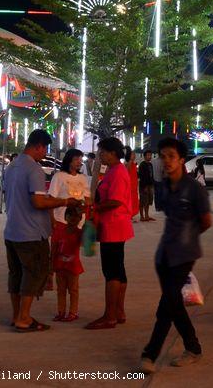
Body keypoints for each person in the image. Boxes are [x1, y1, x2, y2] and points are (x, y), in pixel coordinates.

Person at [140, 137, 212, 373]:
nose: (166, 160)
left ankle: (150, 354)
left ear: (182, 160)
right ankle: (194, 348)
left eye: (171, 156)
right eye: (163, 156)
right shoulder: (163, 188)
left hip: (184, 255)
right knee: (173, 305)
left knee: (167, 307)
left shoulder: (195, 189)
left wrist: (188, 236)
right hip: (164, 255)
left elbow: (206, 222)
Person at [3, 129, 78, 332]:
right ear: (38, 146)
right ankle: (24, 318)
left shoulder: (10, 168)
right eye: (44, 149)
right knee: (33, 273)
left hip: (12, 231)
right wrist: (63, 201)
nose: (44, 154)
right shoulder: (33, 169)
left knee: (16, 274)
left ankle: (16, 314)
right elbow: (37, 201)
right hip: (30, 233)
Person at [86, 137, 135, 330]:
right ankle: (119, 311)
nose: (100, 156)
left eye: (103, 152)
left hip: (113, 225)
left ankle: (110, 315)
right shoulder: (115, 170)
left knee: (111, 271)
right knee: (118, 269)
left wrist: (95, 207)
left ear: (113, 153)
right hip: (116, 225)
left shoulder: (117, 172)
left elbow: (114, 201)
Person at [51, 205, 84, 322]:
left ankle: (73, 312)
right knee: (61, 290)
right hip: (60, 267)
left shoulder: (80, 233)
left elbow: (87, 244)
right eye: (70, 215)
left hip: (73, 267)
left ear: (80, 218)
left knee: (73, 290)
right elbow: (54, 248)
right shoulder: (59, 232)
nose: (73, 218)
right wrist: (51, 265)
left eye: (77, 216)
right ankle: (61, 312)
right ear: (65, 217)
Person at [137, 150, 156, 222]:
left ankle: (147, 216)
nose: (149, 156)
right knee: (142, 201)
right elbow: (141, 176)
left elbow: (151, 175)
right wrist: (144, 186)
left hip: (150, 185)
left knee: (148, 202)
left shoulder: (150, 165)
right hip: (143, 186)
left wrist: (152, 184)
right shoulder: (142, 165)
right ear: (145, 156)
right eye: (148, 155)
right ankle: (142, 216)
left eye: (150, 155)